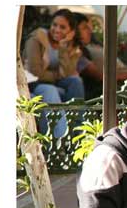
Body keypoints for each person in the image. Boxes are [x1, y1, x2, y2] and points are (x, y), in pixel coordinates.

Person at [22, 8, 85, 137]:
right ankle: (58, 139)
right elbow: (35, 73)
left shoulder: (70, 46)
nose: (56, 30)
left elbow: (68, 72)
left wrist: (63, 46)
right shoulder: (36, 39)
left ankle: (77, 132)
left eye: (63, 27)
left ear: (71, 32)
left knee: (76, 81)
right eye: (54, 25)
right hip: (33, 83)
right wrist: (57, 76)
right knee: (50, 90)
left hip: (53, 82)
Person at [73, 13, 127, 99]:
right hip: (100, 96)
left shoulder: (86, 49)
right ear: (74, 31)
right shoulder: (76, 53)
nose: (90, 31)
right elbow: (100, 76)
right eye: (85, 28)